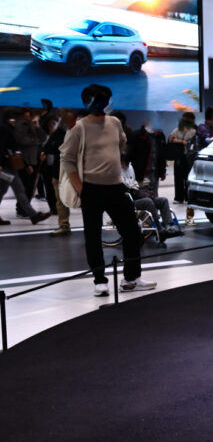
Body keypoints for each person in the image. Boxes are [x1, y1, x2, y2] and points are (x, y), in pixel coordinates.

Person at [60, 84, 155, 295]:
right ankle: (99, 281)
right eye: (100, 99)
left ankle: (131, 278)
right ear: (88, 101)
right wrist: (80, 188)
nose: (104, 103)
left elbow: (121, 143)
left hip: (116, 188)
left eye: (106, 99)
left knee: (132, 231)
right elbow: (67, 158)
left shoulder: (114, 123)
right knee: (93, 236)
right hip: (91, 189)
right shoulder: (79, 128)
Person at [0, 111, 51, 225]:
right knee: (20, 190)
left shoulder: (9, 129)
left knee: (2, 191)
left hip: (10, 165)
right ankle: (33, 215)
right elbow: (3, 147)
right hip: (8, 165)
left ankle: (33, 215)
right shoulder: (6, 129)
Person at [122, 158, 179, 240]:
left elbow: (134, 183)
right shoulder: (117, 171)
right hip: (128, 200)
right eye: (125, 163)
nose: (126, 165)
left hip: (136, 195)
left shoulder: (130, 167)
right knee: (148, 202)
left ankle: (168, 226)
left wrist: (140, 191)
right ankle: (159, 227)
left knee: (163, 200)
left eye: (127, 163)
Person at [44, 109, 76, 235]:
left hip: (76, 171)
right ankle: (64, 225)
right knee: (60, 200)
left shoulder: (78, 131)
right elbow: (48, 148)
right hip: (59, 171)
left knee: (86, 200)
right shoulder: (58, 133)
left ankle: (92, 226)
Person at [168, 112, 198, 204]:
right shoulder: (178, 130)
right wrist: (182, 141)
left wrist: (178, 140)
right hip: (180, 157)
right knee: (178, 178)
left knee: (189, 178)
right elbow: (170, 138)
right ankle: (179, 197)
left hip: (190, 157)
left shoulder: (194, 131)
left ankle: (189, 197)